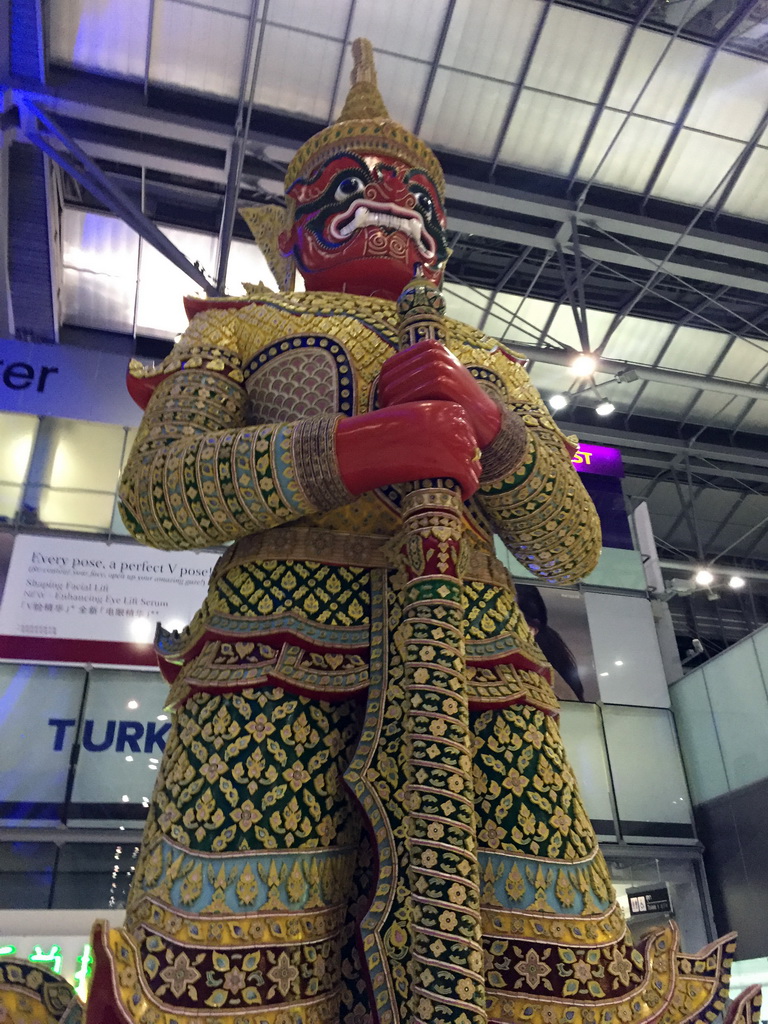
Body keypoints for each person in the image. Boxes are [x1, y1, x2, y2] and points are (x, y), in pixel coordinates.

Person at [86, 39, 736, 1024]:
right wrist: (357, 449)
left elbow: (566, 541)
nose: (389, 194)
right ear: (294, 227)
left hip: (477, 668)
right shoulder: (239, 329)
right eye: (353, 180)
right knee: (240, 971)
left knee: (548, 974)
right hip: (272, 665)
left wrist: (495, 431)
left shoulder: (484, 358)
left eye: (412, 189)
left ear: (439, 231)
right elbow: (159, 492)